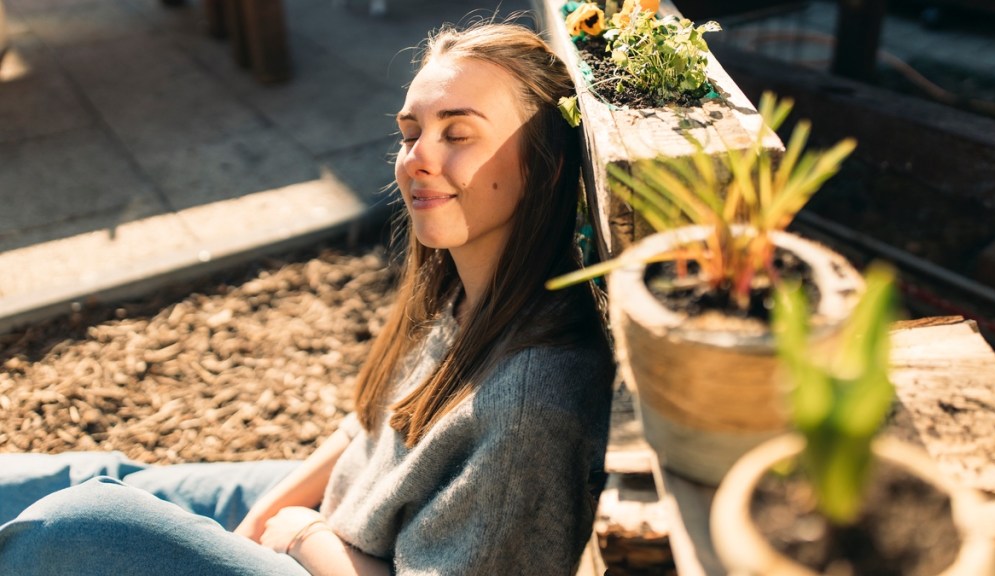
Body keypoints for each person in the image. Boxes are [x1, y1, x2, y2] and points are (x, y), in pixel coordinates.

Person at [0, 21, 615, 576]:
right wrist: (264, 518)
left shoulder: (531, 405)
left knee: (79, 523)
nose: (417, 158)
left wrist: (303, 535)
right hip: (338, 515)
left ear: (546, 164)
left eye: (457, 133)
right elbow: (368, 428)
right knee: (91, 480)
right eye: (410, 132)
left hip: (330, 555)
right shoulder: (463, 295)